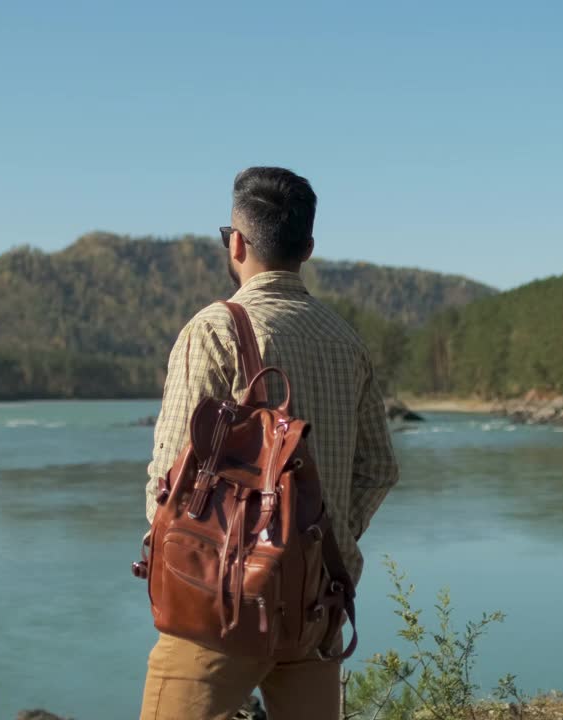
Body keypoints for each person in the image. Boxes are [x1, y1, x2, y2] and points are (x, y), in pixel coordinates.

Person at [140, 167, 401, 720]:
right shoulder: (345, 340)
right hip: (318, 600)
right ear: (307, 247)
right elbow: (378, 467)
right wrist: (323, 538)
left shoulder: (214, 330)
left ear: (236, 242)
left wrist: (174, 567)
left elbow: (170, 481)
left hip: (223, 601)